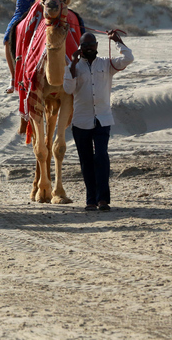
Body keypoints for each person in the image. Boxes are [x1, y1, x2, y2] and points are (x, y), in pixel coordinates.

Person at [63, 30, 134, 212]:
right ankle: (91, 201)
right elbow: (68, 89)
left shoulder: (106, 64)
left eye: (91, 45)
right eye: (84, 46)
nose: (88, 48)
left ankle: (103, 199)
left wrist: (118, 41)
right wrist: (72, 64)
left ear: (96, 46)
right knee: (86, 161)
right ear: (80, 48)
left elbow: (128, 58)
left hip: (103, 118)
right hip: (81, 120)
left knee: (101, 157)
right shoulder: (74, 67)